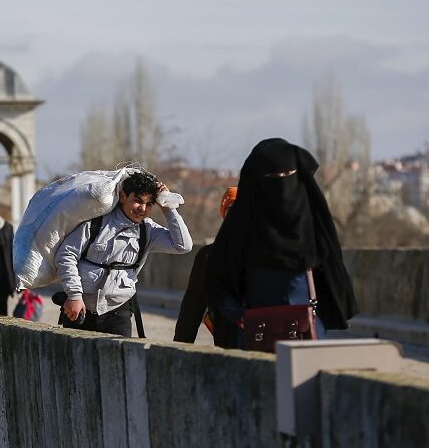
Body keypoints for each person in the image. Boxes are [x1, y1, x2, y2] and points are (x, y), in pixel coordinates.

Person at [205, 138, 358, 348]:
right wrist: (239, 316)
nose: (282, 186)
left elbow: (331, 277)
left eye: (288, 176)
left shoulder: (313, 226)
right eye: (273, 178)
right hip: (256, 335)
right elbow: (215, 280)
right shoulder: (242, 228)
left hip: (308, 333)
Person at [55, 171, 193, 337]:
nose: (142, 209)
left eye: (149, 204)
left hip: (118, 312)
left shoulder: (147, 231)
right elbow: (66, 255)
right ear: (122, 196)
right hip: (80, 308)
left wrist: (167, 207)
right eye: (137, 201)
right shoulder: (96, 223)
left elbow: (183, 245)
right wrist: (74, 296)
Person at [174, 187, 239, 347]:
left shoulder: (267, 253)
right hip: (227, 343)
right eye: (232, 209)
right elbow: (192, 307)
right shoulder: (209, 256)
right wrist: (180, 348)